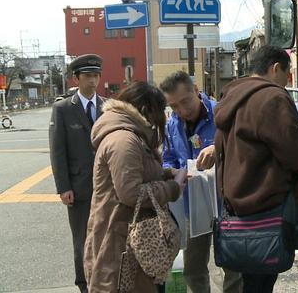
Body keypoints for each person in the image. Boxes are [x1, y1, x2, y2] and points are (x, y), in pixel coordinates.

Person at [214, 45, 298, 293]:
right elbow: (296, 154)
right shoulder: (272, 97)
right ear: (275, 68)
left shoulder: (230, 98)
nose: (287, 83)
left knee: (258, 280)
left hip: (242, 212)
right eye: (287, 75)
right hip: (276, 207)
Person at [84, 82, 187, 293]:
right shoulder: (124, 140)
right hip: (120, 242)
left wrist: (169, 173)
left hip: (130, 238)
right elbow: (131, 193)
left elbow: (141, 172)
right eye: (160, 112)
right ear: (147, 110)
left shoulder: (131, 134)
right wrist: (173, 187)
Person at [160, 71, 242, 293]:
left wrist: (219, 148)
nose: (181, 110)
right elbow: (167, 158)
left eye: (185, 101)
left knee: (234, 265)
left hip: (226, 203)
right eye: (174, 105)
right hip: (191, 205)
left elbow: (242, 147)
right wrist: (172, 171)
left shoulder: (222, 113)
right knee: (193, 267)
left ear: (196, 90)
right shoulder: (171, 124)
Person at [49, 54, 104, 293]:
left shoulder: (108, 106)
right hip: (78, 188)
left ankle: (104, 282)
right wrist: (63, 187)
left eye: (96, 76)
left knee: (106, 237)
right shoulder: (62, 109)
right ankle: (84, 285)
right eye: (88, 76)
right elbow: (57, 150)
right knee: (82, 240)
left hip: (106, 187)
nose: (93, 81)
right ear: (77, 78)